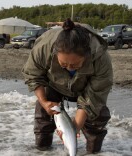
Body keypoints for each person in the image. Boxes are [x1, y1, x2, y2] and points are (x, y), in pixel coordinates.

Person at [22, 18, 113, 154]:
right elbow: (33, 76)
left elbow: (95, 95)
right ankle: (42, 150)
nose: (69, 68)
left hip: (86, 88)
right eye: (63, 64)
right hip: (53, 83)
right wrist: (44, 102)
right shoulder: (44, 47)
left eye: (75, 65)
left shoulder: (100, 57)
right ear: (55, 52)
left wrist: (75, 126)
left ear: (87, 56)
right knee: (43, 118)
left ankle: (93, 152)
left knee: (97, 119)